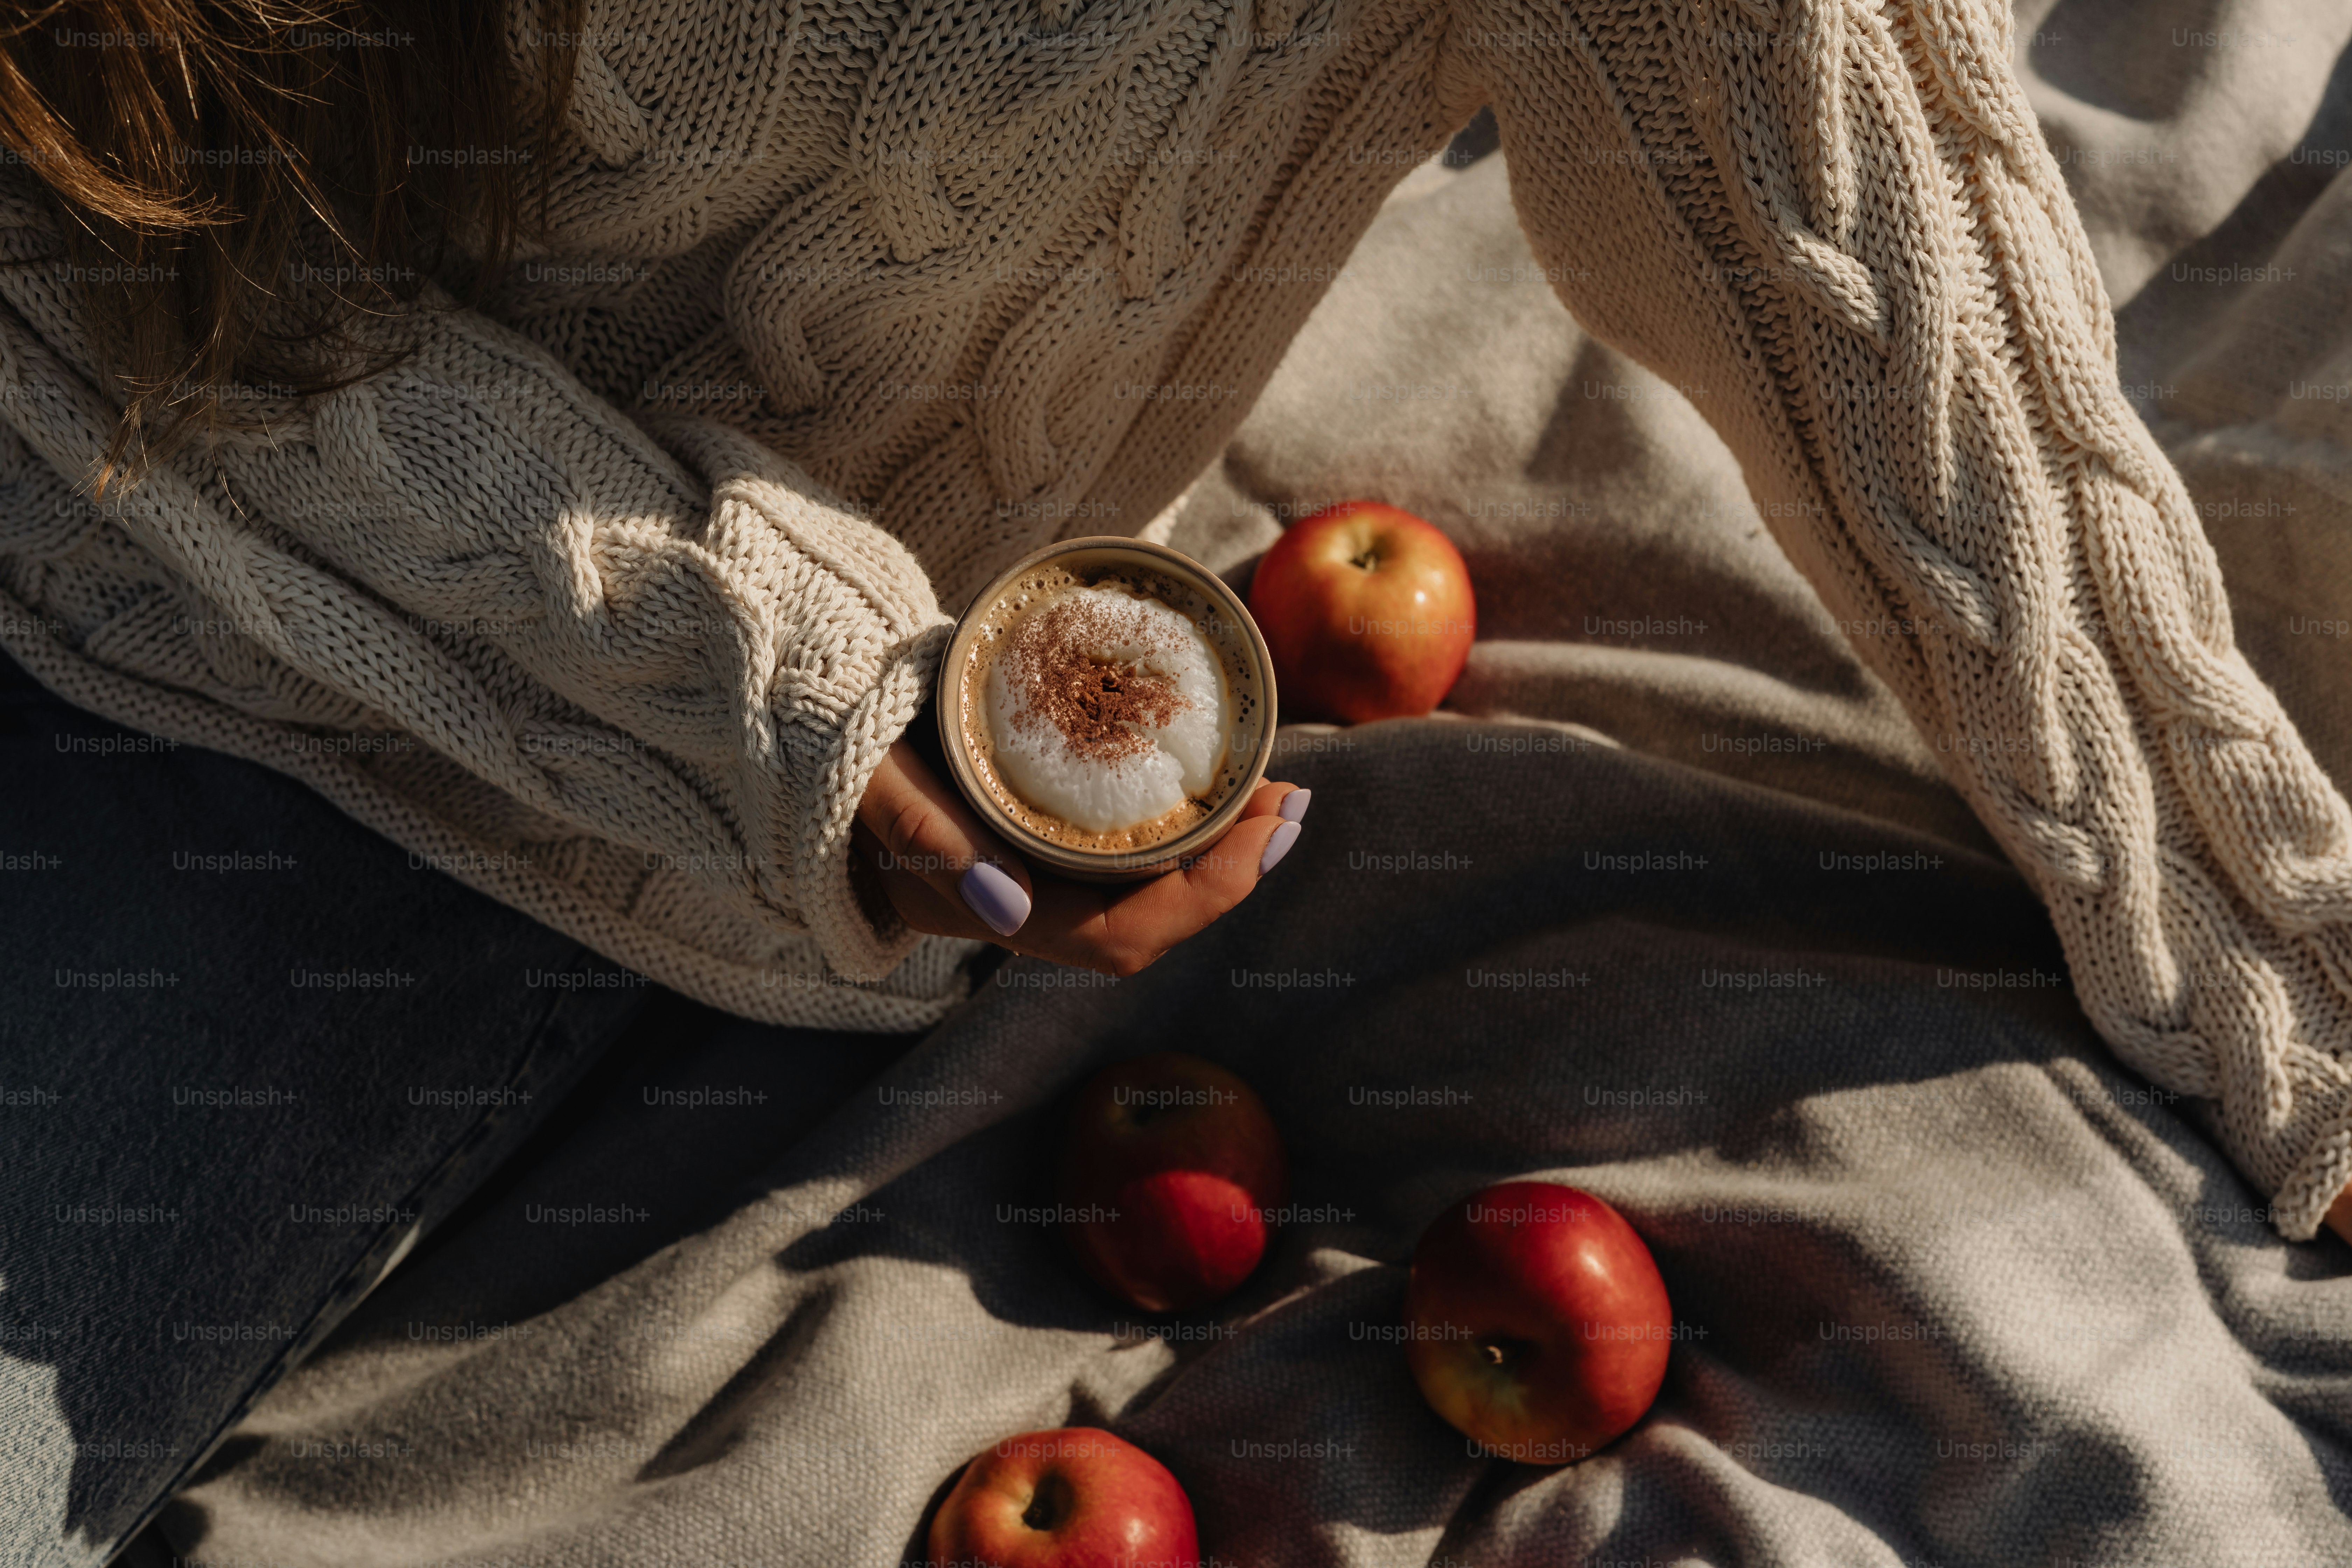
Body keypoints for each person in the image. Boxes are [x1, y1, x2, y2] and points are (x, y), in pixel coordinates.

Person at [2, 0, 2350, 1556]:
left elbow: (1900, 312)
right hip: (127, 466)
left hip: (370, 781)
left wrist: (2284, 979)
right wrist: (760, 681)